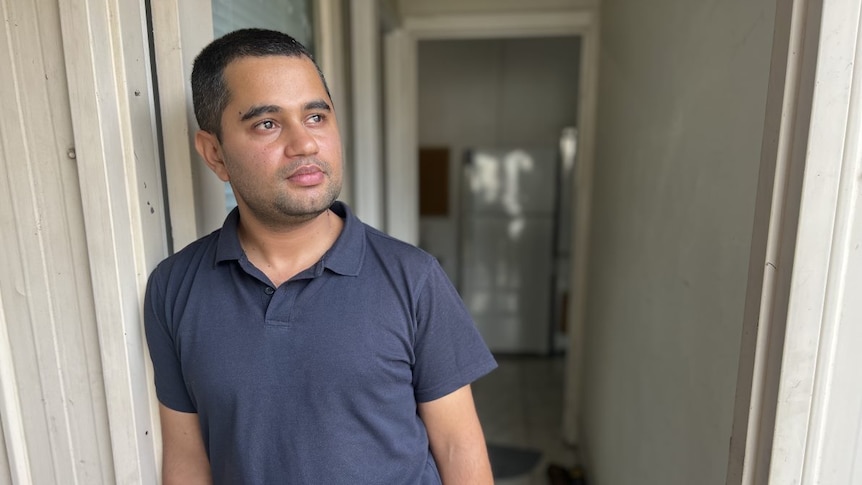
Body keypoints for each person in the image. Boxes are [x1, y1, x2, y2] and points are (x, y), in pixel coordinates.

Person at [144, 28, 497, 484]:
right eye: (267, 124)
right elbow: (187, 458)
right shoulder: (174, 288)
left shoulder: (414, 279)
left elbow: (458, 447)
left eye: (315, 116)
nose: (305, 144)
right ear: (215, 153)